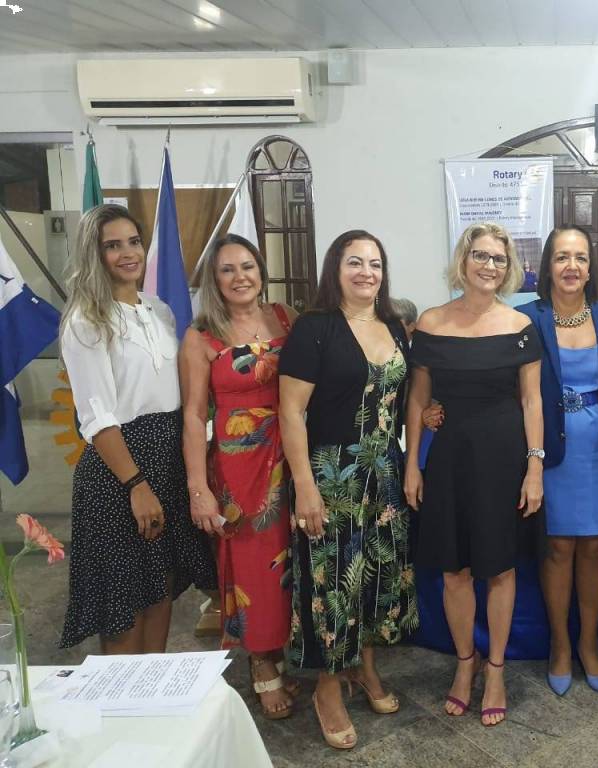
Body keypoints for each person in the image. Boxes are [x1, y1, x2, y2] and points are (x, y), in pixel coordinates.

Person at [279, 230, 418, 750]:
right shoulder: (314, 328)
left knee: (378, 576)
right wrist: (304, 486)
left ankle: (366, 667)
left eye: (375, 264)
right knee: (332, 583)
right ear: (335, 270)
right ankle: (328, 688)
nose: (366, 272)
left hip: (384, 472)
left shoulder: (393, 326)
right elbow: (291, 411)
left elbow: (399, 399)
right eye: (354, 262)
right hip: (332, 474)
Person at [58, 204, 216, 653]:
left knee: (159, 589)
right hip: (120, 472)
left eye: (133, 242)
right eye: (113, 245)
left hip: (166, 460)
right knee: (124, 603)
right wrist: (136, 485)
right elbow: (98, 417)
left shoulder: (159, 310)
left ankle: (153, 689)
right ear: (94, 254)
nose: (128, 253)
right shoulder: (86, 320)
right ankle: (123, 695)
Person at [404, 222, 543, 727]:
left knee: (500, 568)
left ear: (509, 269)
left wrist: (535, 466)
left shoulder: (519, 325)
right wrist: (412, 464)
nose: (489, 265)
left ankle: (497, 669)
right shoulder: (431, 322)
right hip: (449, 461)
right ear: (463, 261)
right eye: (481, 256)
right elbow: (418, 400)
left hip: (504, 459)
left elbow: (532, 400)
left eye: (499, 259)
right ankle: (466, 664)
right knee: (453, 571)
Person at [180, 234, 297, 719]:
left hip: (292, 452)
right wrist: (198, 490)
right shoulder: (201, 336)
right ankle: (262, 661)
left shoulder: (285, 316)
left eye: (247, 266)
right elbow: (193, 416)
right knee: (253, 566)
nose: (240, 277)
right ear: (214, 279)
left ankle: (291, 647)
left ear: (260, 271)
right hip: (238, 465)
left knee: (293, 555)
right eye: (227, 269)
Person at [516, 226, 598, 697]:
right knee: (559, 547)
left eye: (580, 258)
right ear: (548, 266)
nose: (571, 266)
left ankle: (589, 643)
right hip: (550, 447)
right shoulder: (526, 319)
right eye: (562, 257)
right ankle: (560, 646)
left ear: (590, 267)